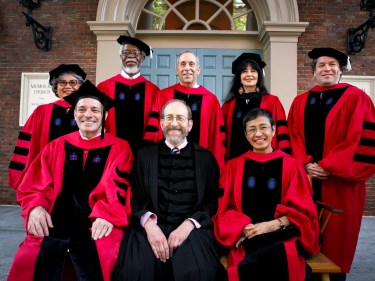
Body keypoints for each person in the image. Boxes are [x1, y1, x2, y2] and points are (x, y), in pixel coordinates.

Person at [7, 80, 134, 281]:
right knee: (28, 257)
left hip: (96, 219)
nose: (88, 115)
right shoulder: (57, 146)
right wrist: (36, 208)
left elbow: (118, 187)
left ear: (105, 115)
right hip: (55, 217)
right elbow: (35, 184)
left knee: (104, 253)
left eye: (95, 110)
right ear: (74, 114)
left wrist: (108, 215)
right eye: (81, 109)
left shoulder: (119, 148)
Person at [111, 99, 225, 281]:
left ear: (190, 124)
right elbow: (134, 196)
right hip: (150, 227)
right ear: (161, 123)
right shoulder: (144, 156)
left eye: (180, 118)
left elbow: (211, 201)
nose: (174, 123)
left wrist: (188, 225)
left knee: (199, 272)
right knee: (134, 271)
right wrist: (149, 225)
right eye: (169, 118)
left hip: (191, 230)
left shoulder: (206, 160)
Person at [288, 47, 375, 281]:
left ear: (340, 70)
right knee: (301, 241)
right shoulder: (300, 102)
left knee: (337, 245)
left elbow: (360, 140)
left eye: (332, 64)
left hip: (340, 184)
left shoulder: (357, 98)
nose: (327, 68)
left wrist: (328, 165)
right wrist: (305, 164)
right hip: (306, 181)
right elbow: (292, 137)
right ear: (313, 73)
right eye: (321, 65)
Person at [213, 108, 319, 281]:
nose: (258, 134)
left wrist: (274, 224)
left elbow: (304, 211)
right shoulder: (233, 167)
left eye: (263, 127)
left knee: (286, 258)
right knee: (244, 265)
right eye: (252, 129)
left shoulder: (292, 166)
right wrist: (243, 227)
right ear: (246, 135)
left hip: (282, 234)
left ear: (274, 130)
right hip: (247, 235)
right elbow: (224, 208)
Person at [143, 50, 226, 170]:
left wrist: (215, 167)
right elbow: (154, 131)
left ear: (198, 69)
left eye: (191, 64)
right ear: (177, 70)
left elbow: (217, 138)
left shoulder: (211, 100)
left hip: (200, 165)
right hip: (166, 164)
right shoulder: (163, 96)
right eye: (183, 64)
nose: (187, 68)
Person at [9, 64, 87, 189]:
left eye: (73, 82)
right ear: (56, 87)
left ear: (80, 86)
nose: (68, 86)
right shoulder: (42, 111)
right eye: (62, 82)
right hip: (48, 173)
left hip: (81, 171)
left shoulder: (89, 110)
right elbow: (28, 143)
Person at [97, 35, 160, 154]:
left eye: (135, 52)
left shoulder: (153, 91)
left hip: (143, 152)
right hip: (111, 150)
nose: (130, 55)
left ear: (142, 57)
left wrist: (148, 148)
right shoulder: (105, 87)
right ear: (121, 57)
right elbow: (98, 119)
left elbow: (155, 124)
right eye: (126, 52)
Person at [222, 52, 290, 161]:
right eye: (244, 71)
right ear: (239, 77)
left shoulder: (272, 102)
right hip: (235, 161)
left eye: (253, 71)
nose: (249, 75)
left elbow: (282, 133)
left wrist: (283, 159)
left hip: (267, 160)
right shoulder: (228, 106)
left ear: (259, 75)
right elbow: (222, 137)